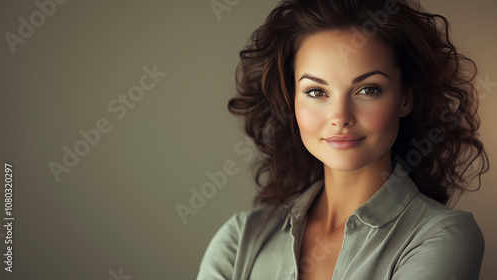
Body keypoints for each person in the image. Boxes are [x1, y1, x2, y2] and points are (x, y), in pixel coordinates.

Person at [197, 0, 489, 279]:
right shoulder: (239, 239)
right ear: (291, 102)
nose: (340, 116)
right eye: (316, 92)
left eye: (368, 89)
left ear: (405, 99)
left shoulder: (442, 237)